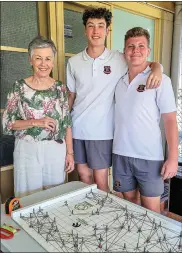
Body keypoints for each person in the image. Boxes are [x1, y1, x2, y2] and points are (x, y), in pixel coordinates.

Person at [67, 8, 163, 192]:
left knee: (101, 182)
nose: (96, 31)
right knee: (84, 177)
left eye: (101, 26)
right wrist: (64, 125)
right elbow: (71, 96)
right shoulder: (74, 62)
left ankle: (103, 218)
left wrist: (158, 67)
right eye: (91, 26)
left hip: (103, 132)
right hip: (77, 129)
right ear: (85, 29)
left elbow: (144, 63)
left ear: (107, 30)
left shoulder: (118, 58)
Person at [113, 27, 178, 213]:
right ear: (124, 51)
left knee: (152, 211)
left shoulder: (160, 80)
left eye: (141, 46)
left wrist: (173, 157)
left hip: (149, 157)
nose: (136, 51)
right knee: (130, 207)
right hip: (120, 153)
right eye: (131, 46)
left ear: (148, 51)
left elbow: (170, 121)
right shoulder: (118, 80)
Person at [2, 36, 74, 198]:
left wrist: (70, 153)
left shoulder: (60, 88)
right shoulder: (19, 87)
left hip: (56, 149)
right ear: (30, 60)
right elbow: (7, 123)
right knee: (28, 196)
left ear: (53, 61)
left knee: (55, 195)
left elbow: (67, 123)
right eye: (38, 58)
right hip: (28, 149)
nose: (44, 64)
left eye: (48, 58)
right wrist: (36, 122)